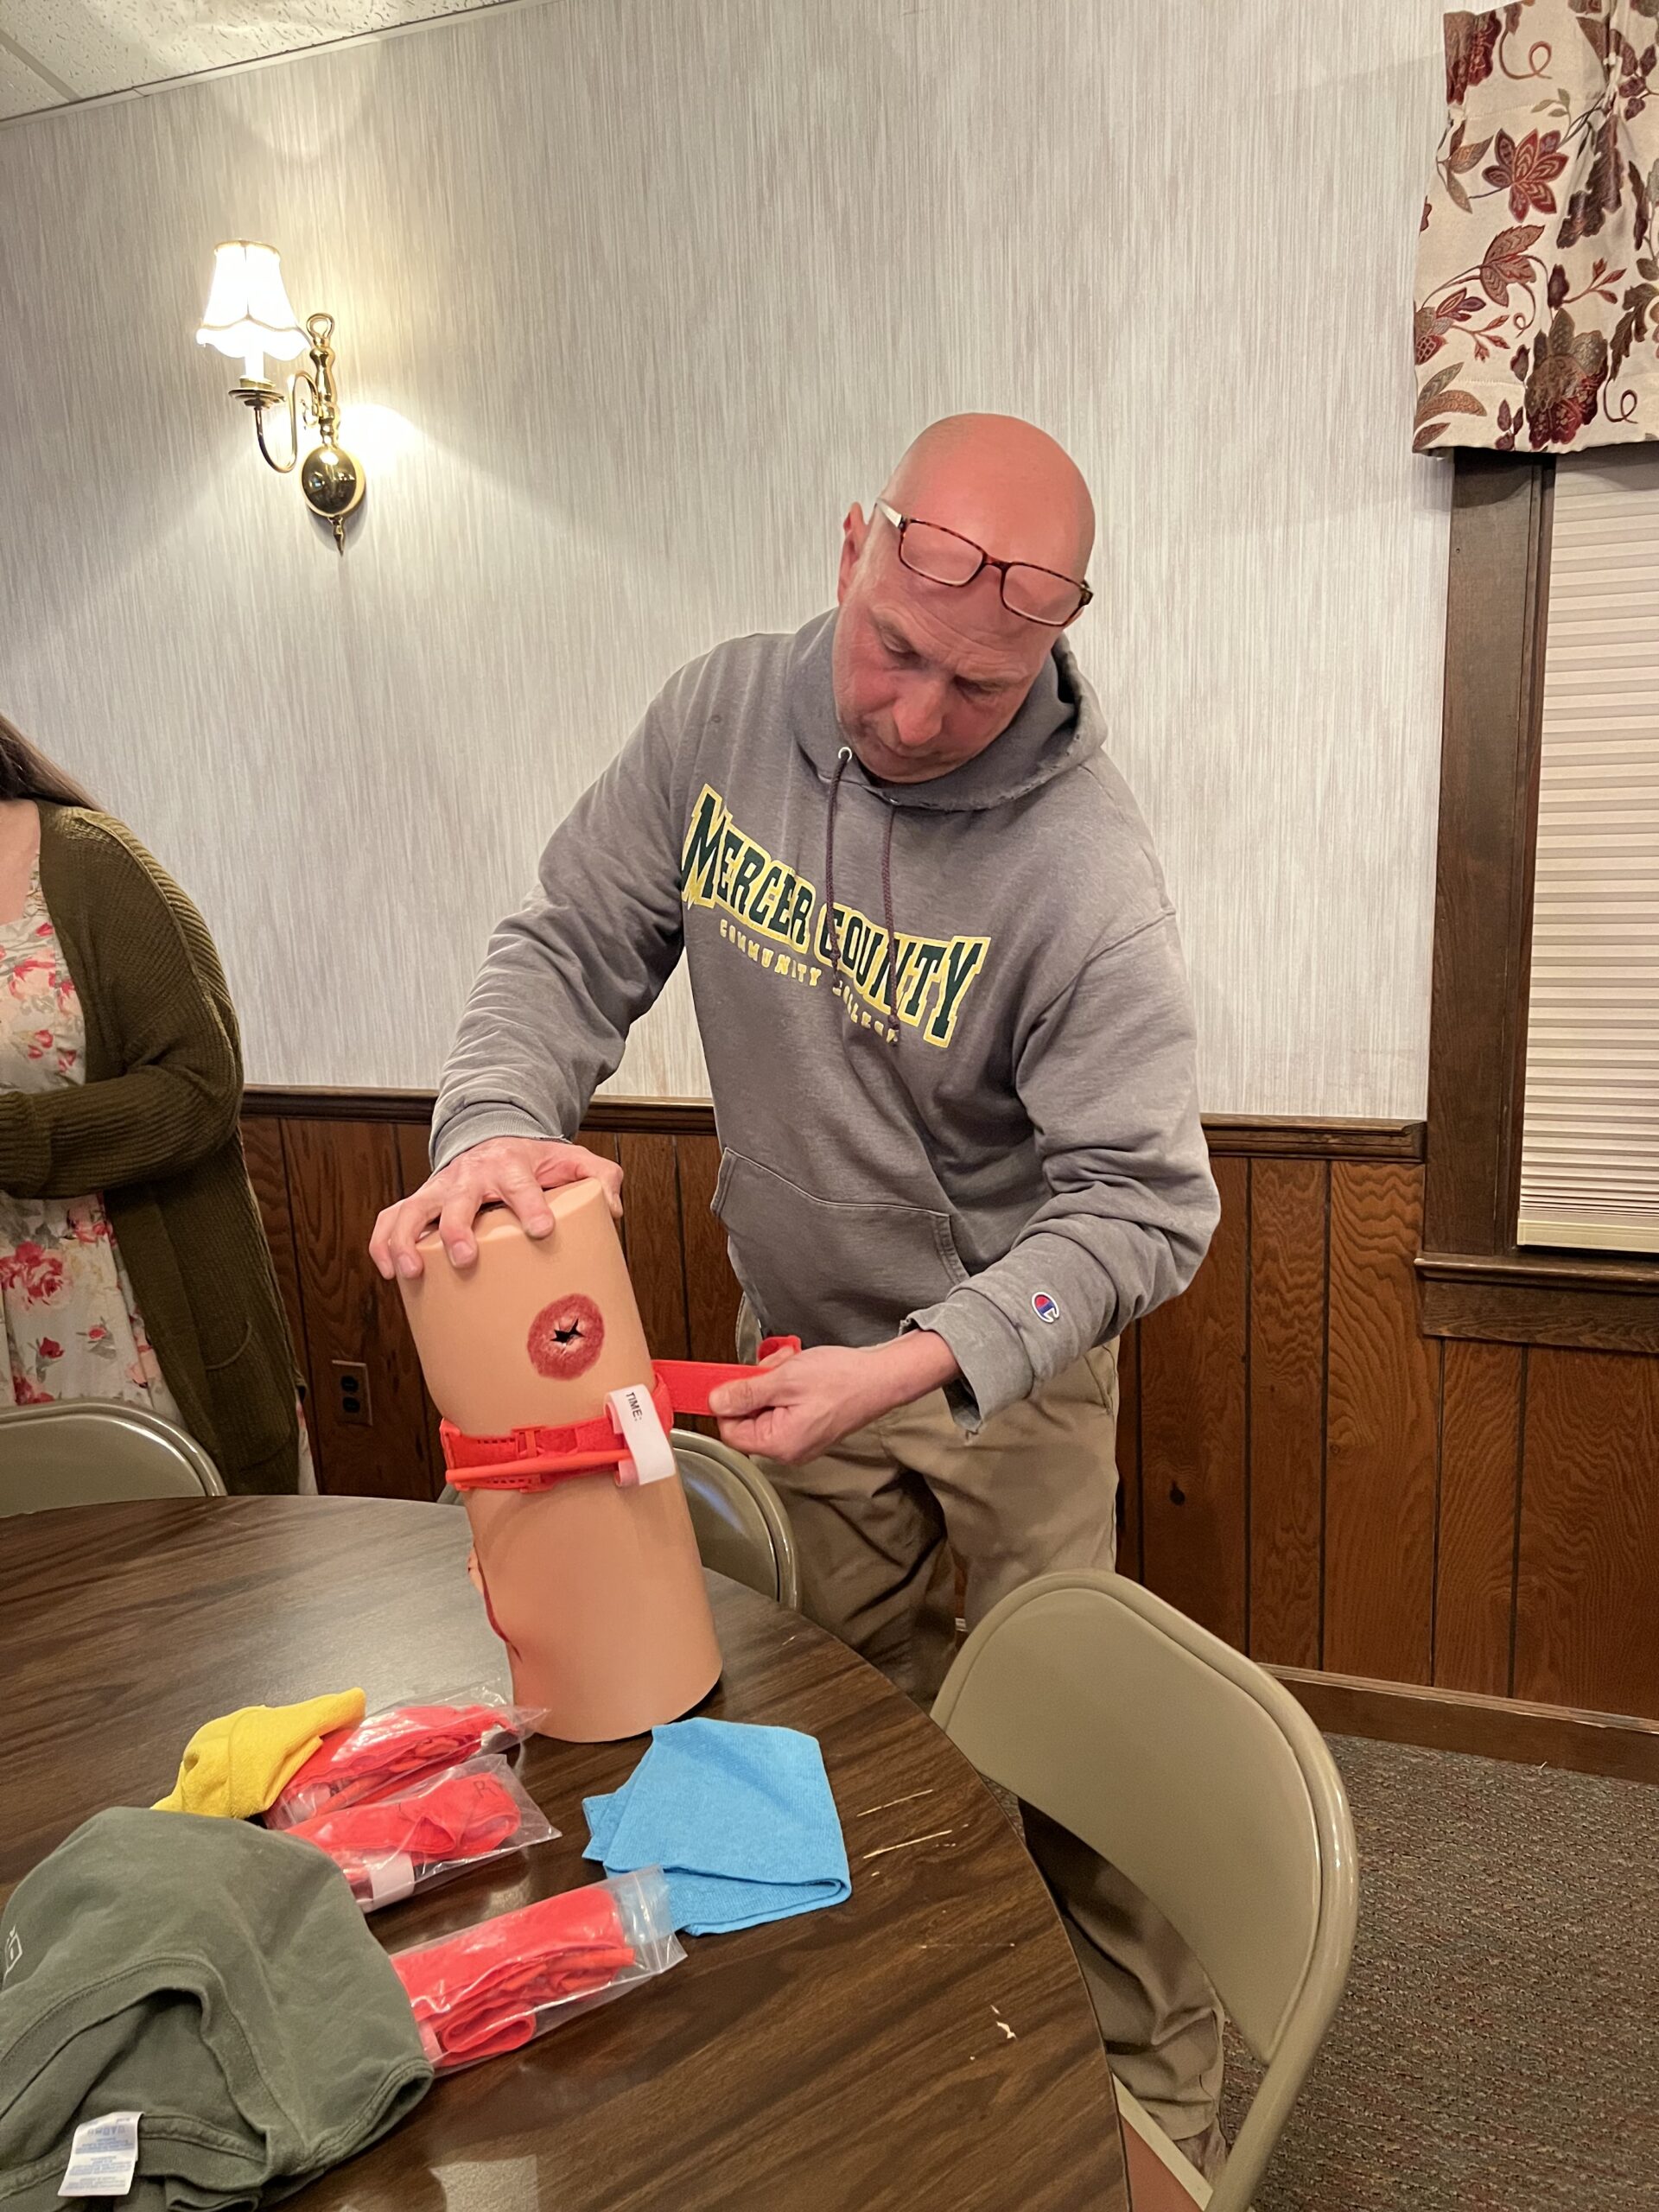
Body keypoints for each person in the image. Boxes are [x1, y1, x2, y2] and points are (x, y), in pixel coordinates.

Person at [371, 415, 1227, 2171]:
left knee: (1068, 1779)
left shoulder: (1088, 874)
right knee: (831, 1735)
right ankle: (891, 2082)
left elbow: (1147, 1209)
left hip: (1004, 1384)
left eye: (979, 688)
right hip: (794, 1353)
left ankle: (1168, 2119)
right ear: (853, 550)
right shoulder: (716, 719)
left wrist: (916, 1360)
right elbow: (563, 943)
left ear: (1050, 650)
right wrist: (488, 1134)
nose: (915, 715)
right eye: (893, 651)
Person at [0, 715, 312, 1492]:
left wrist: (14, 1139)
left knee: (187, 1594)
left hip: (127, 1321)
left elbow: (201, 1085)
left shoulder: (87, 860)